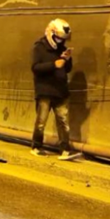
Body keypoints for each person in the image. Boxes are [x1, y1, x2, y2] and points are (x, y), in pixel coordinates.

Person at [30, 18, 81, 161]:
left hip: (61, 90)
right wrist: (54, 64)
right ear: (51, 34)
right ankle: (36, 146)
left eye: (62, 39)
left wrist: (66, 59)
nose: (60, 41)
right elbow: (35, 68)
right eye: (58, 38)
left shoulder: (63, 49)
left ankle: (65, 150)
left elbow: (68, 69)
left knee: (63, 122)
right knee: (41, 121)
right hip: (45, 90)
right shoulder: (39, 47)